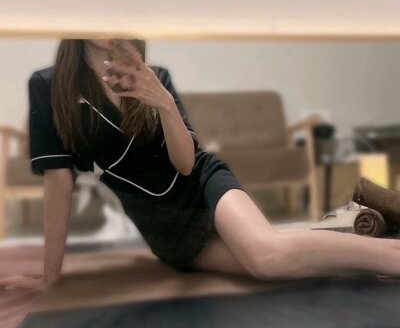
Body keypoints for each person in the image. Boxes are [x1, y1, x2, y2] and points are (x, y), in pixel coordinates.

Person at [2, 38, 400, 293]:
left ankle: (392, 256)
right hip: (162, 223)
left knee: (267, 254)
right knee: (270, 265)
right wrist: (49, 277)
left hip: (202, 182)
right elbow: (59, 180)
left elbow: (187, 164)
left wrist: (163, 102)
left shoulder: (154, 77)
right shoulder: (49, 85)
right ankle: (363, 233)